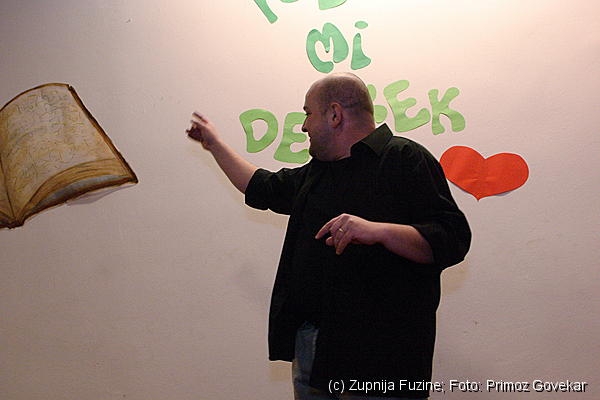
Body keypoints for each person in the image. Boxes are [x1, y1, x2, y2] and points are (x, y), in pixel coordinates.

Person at [187, 73, 471, 399]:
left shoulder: (404, 158)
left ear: (335, 114)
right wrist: (215, 145)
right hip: (313, 348)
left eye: (308, 113)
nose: (303, 126)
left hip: (380, 356)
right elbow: (261, 187)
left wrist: (377, 231)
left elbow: (452, 238)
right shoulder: (319, 171)